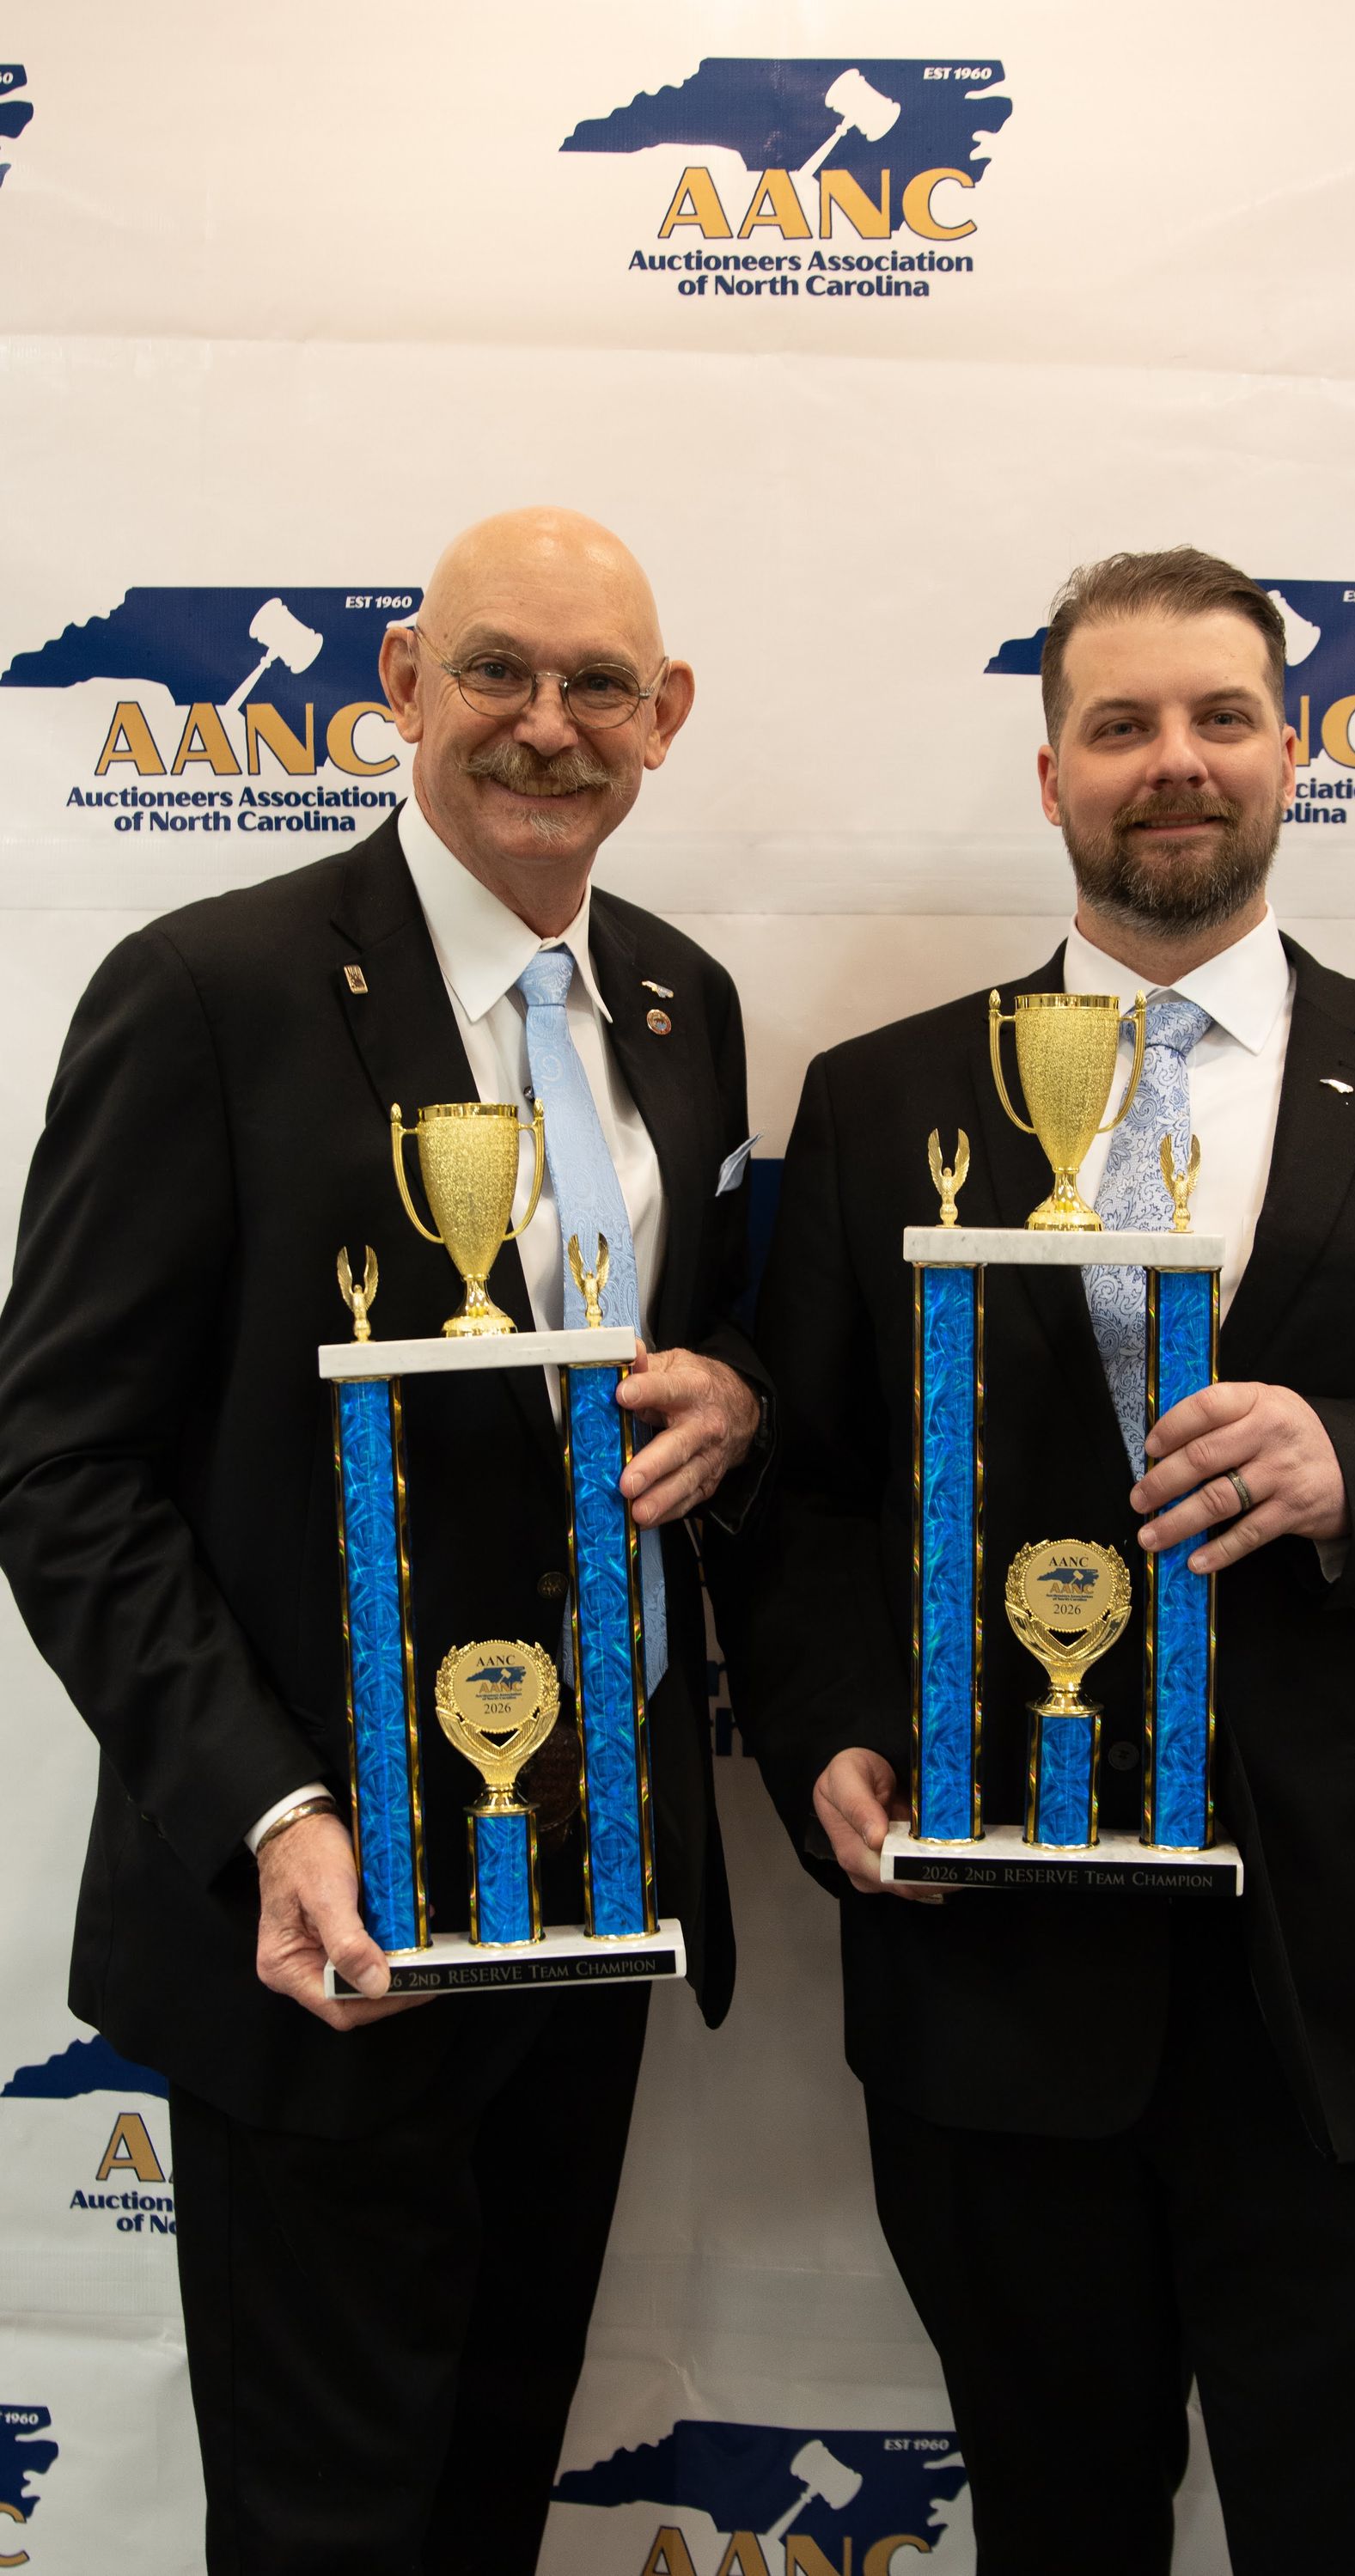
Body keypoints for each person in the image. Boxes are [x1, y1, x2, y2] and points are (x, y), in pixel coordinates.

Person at [737, 547, 1355, 2573]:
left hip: (1354, 1991)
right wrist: (821, 1742)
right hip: (996, 1969)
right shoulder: (884, 1100)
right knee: (1061, 2531)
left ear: (1297, 753)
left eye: (1222, 716)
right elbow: (797, 1495)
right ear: (1048, 770)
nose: (1177, 762)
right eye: (1124, 724)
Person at [0, 509, 771, 2575]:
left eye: (600, 682)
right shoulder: (210, 989)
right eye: (498, 670)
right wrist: (266, 1803)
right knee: (326, 2526)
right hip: (320, 1920)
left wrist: (739, 1395)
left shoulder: (685, 1007)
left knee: (492, 2485)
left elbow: (659, 1373)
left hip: (586, 1896)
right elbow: (61, 1460)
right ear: (403, 686)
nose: (548, 724)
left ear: (664, 716)